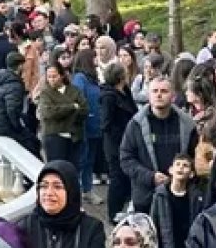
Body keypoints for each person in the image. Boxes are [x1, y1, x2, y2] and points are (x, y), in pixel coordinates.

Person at [119, 77, 197, 215]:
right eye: (155, 91)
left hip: (179, 195)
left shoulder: (187, 125)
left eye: (164, 91)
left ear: (172, 96)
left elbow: (195, 158)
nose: (159, 94)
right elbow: (126, 159)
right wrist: (150, 177)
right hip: (145, 197)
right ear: (148, 95)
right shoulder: (135, 124)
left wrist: (180, 176)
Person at [150, 153, 206, 248]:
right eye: (178, 164)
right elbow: (154, 223)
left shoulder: (197, 196)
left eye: (185, 165)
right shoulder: (160, 195)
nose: (180, 168)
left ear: (191, 173)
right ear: (171, 170)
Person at [99, 61, 139, 223]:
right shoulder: (108, 97)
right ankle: (113, 213)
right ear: (121, 77)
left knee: (126, 177)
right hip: (115, 144)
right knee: (116, 178)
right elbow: (106, 123)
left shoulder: (125, 92)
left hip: (128, 141)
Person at [72, 49, 106, 204]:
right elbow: (79, 102)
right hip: (85, 125)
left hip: (95, 126)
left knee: (90, 160)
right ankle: (77, 191)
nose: (97, 60)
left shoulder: (93, 79)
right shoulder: (80, 78)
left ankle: (87, 189)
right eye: (94, 58)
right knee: (82, 160)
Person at [38, 63, 88, 165]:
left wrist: (61, 111)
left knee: (73, 169)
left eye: (54, 76)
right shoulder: (45, 93)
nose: (52, 79)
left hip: (74, 137)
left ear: (61, 75)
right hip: (54, 137)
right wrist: (72, 107)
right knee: (57, 168)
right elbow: (49, 113)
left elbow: (84, 110)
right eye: (49, 77)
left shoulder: (74, 90)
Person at [0, 51, 38, 154]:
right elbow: (12, 111)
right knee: (33, 144)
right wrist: (19, 128)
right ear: (20, 66)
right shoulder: (14, 85)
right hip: (5, 127)